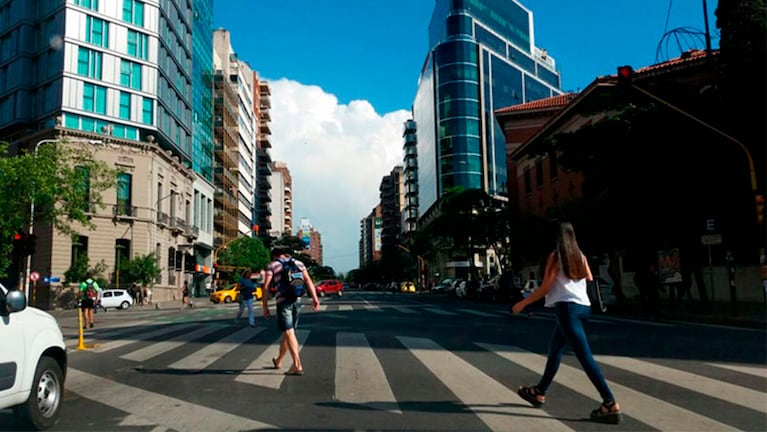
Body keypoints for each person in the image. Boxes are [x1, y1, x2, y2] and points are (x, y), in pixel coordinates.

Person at [511, 221, 622, 425]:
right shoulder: (580, 256)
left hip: (567, 310)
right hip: (583, 308)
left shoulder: (556, 256)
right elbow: (589, 278)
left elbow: (545, 287)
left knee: (585, 357)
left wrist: (522, 303)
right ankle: (539, 392)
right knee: (555, 351)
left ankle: (610, 402)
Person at [262, 248, 320, 376]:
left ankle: (297, 365)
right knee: (288, 333)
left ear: (275, 256)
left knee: (289, 332)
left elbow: (265, 286)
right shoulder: (299, 263)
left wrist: (265, 305)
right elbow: (308, 281)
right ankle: (278, 360)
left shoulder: (272, 265)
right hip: (297, 300)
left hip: (283, 302)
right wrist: (315, 299)